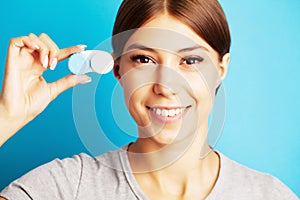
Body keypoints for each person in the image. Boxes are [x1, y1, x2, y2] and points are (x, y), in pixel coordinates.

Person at [0, 0, 298, 199]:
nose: (166, 86)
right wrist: (6, 117)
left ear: (221, 69)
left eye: (190, 60)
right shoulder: (68, 187)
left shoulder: (269, 195)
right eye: (143, 59)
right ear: (118, 69)